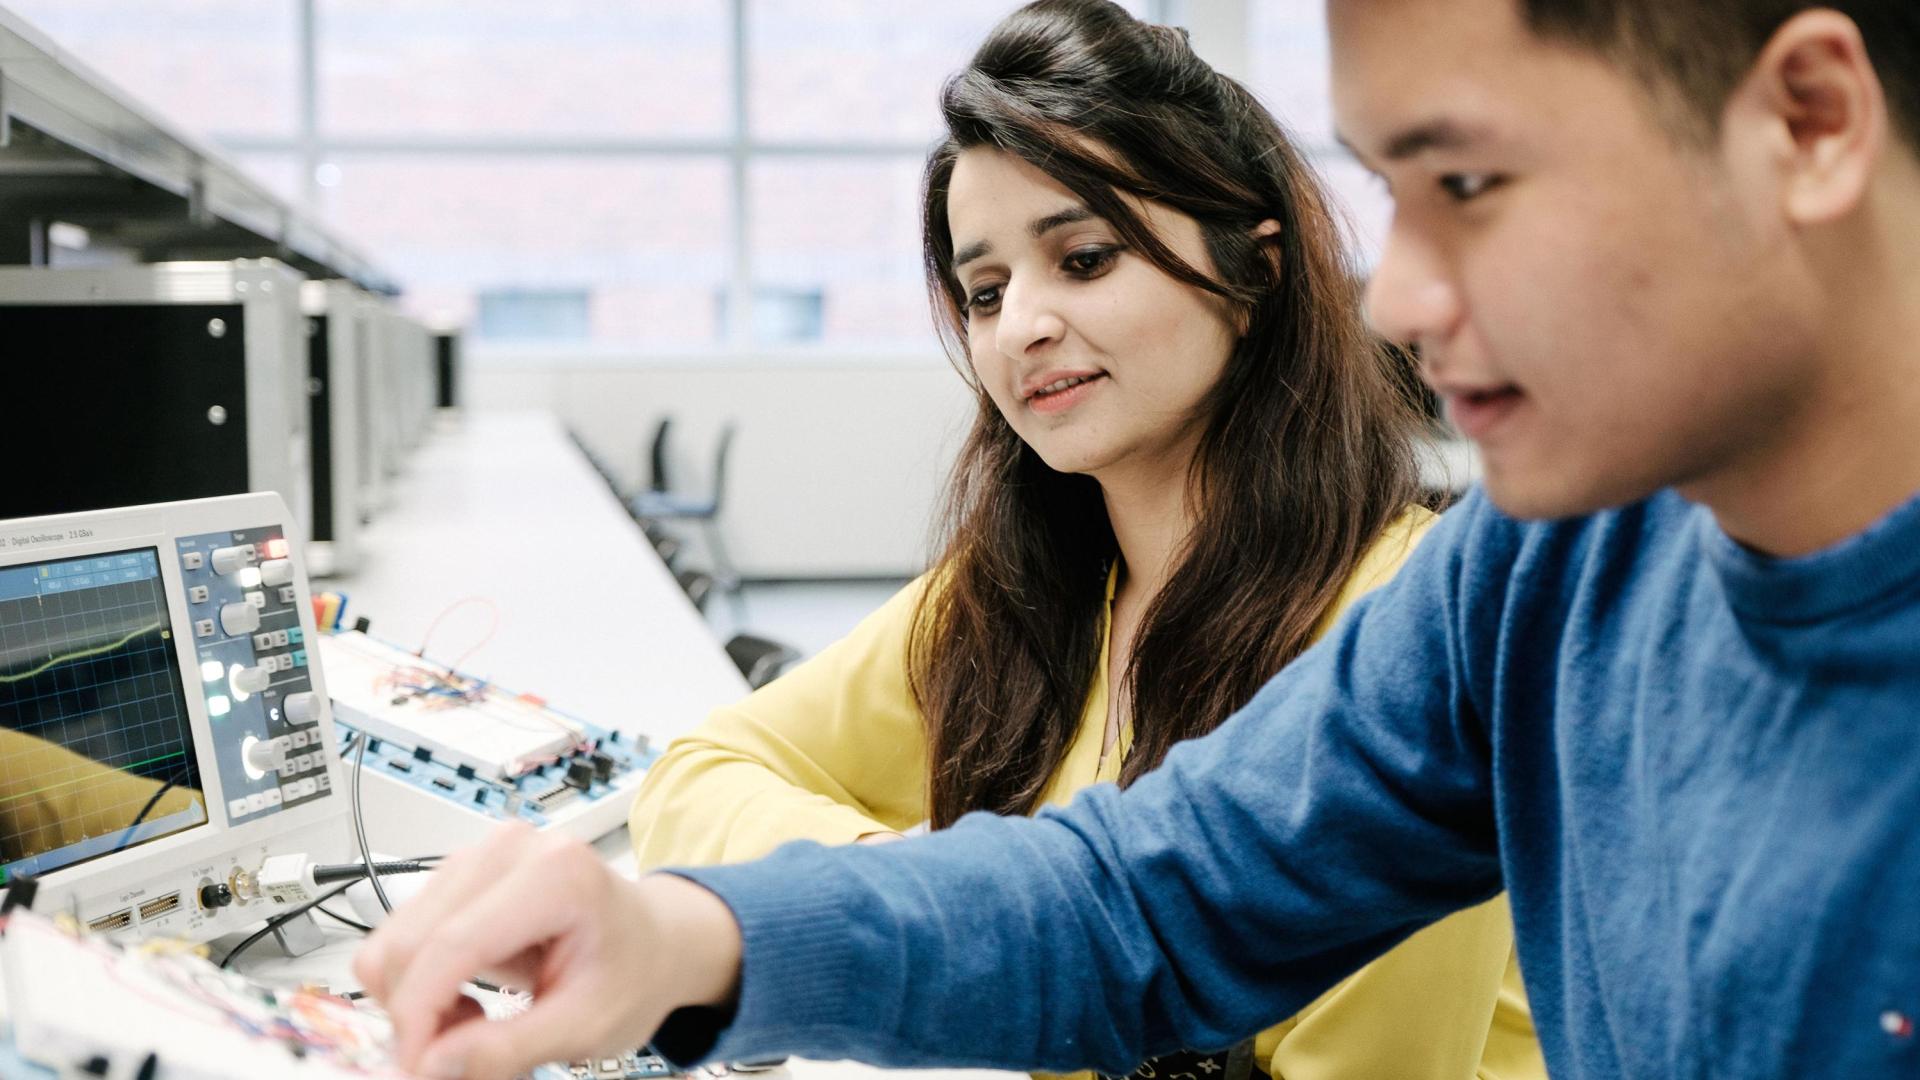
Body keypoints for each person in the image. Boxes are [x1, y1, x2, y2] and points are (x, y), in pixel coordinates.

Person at [355, 0, 1920, 1077]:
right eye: (1394, 193)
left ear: (1809, 122)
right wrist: (680, 935)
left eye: (1469, 183)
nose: (1398, 297)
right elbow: (1146, 902)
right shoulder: (1539, 568)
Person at [625, 4, 1539, 1079]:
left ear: (1256, 275)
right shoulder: (1020, 589)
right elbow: (692, 778)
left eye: (1087, 257)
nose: (1020, 329)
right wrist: (920, 903)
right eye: (986, 292)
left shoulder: (1398, 631)